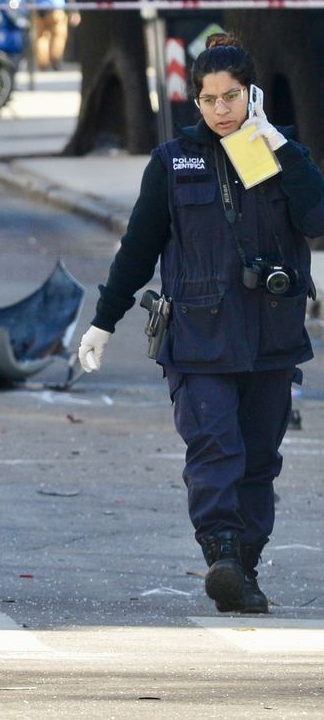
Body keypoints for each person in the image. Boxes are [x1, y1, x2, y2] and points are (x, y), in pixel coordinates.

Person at [77, 32, 324, 615]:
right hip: (198, 338)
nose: (220, 110)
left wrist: (277, 146)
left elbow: (316, 219)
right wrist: (104, 321)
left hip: (271, 336)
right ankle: (223, 554)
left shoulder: (280, 153)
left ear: (252, 95)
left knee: (258, 460)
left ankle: (245, 570)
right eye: (209, 99)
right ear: (195, 101)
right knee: (214, 447)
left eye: (231, 97)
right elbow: (138, 249)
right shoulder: (173, 162)